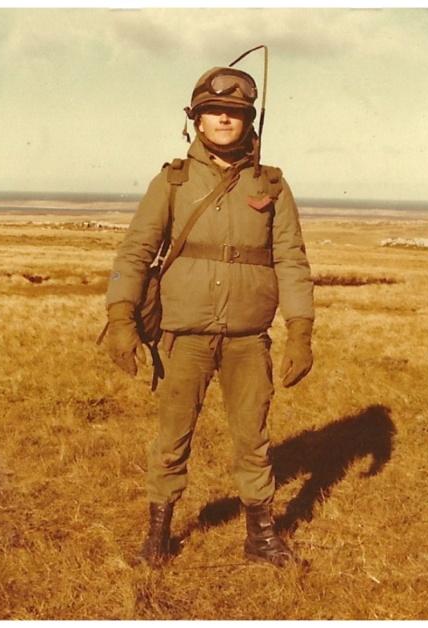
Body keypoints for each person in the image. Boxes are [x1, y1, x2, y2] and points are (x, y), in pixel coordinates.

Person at [103, 63, 316, 568]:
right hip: (185, 338)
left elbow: (292, 258)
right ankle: (158, 535)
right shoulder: (172, 182)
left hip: (248, 339)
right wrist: (119, 319)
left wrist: (301, 330)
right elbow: (134, 253)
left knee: (254, 440)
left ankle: (260, 538)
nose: (224, 119)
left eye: (234, 113)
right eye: (214, 111)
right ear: (196, 120)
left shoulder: (274, 185)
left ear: (249, 121)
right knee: (172, 437)